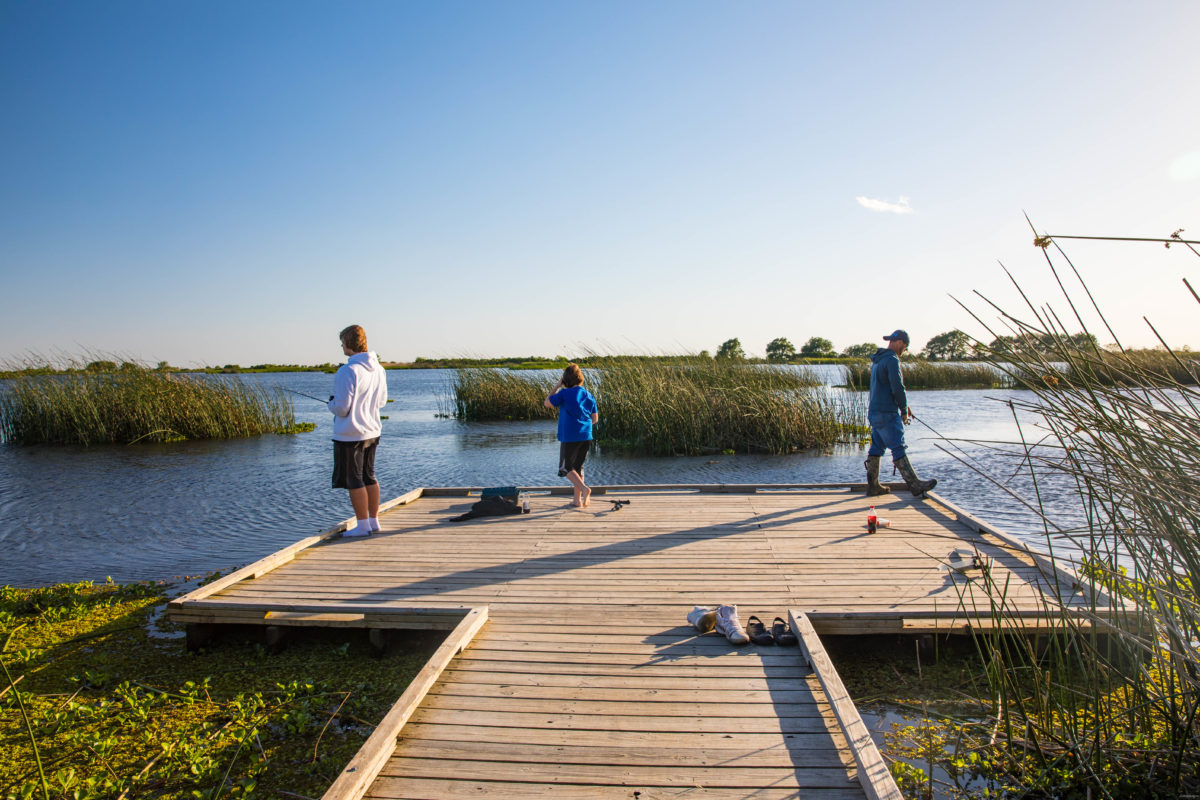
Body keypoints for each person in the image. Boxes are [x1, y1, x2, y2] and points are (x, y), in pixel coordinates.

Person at [328, 325, 388, 536]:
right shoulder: (379, 369)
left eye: (342, 342)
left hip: (350, 434)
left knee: (354, 480)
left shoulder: (347, 371)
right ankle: (373, 521)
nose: (341, 346)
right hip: (372, 431)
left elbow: (342, 408)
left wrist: (331, 404)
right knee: (369, 476)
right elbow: (381, 402)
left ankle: (362, 526)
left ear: (348, 343)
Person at [865, 329, 937, 497]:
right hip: (887, 413)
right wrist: (903, 410)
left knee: (876, 447)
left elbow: (885, 388)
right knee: (898, 446)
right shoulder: (891, 360)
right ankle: (914, 484)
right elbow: (897, 387)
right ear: (899, 343)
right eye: (905, 347)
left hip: (875, 412)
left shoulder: (878, 360)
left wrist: (904, 405)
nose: (904, 351)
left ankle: (873, 486)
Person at [544, 363, 599, 508]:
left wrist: (556, 386)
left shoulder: (563, 393)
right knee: (578, 468)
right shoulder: (589, 395)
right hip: (586, 436)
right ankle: (577, 501)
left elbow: (547, 403)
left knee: (566, 469)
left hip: (570, 437)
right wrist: (583, 426)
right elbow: (595, 419)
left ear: (566, 380)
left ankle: (585, 489)